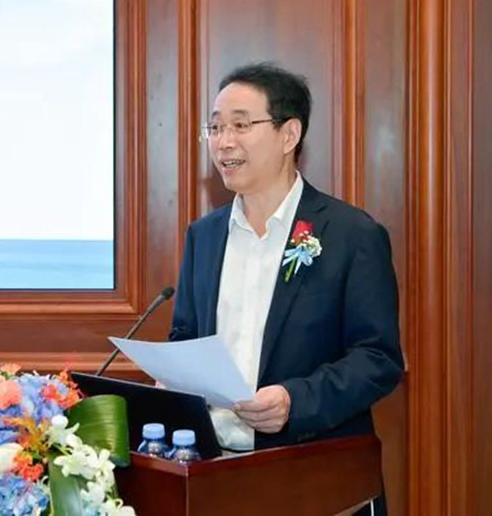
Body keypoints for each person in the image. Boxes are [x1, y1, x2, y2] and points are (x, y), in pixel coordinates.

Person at [168, 62, 404, 515]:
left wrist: (296, 401)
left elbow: (378, 359)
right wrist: (175, 375)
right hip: (215, 476)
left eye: (240, 125)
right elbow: (186, 336)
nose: (223, 142)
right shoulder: (204, 236)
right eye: (215, 128)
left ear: (289, 134)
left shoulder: (351, 235)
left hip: (316, 480)